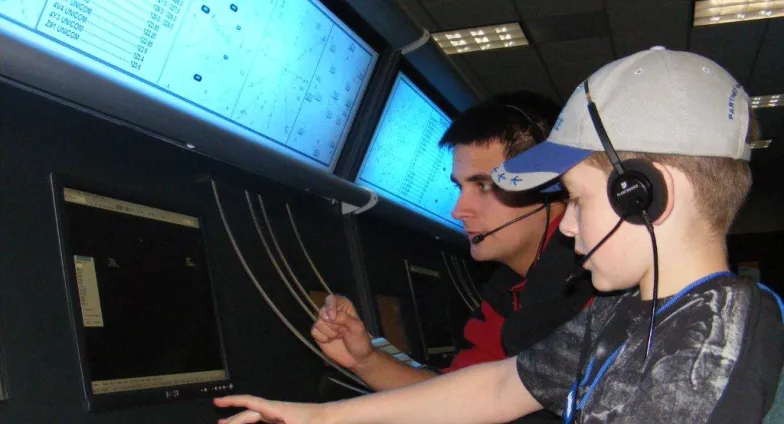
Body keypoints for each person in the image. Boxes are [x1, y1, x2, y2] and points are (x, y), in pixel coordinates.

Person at [214, 48, 784, 424]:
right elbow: (495, 390)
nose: (564, 222)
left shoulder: (706, 351)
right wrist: (314, 418)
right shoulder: (629, 313)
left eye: (578, 200)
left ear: (645, 195)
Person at [312, 91, 594, 422]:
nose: (459, 210)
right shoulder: (509, 290)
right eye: (460, 187)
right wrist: (365, 361)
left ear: (549, 186)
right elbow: (457, 398)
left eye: (486, 186)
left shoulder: (595, 287)